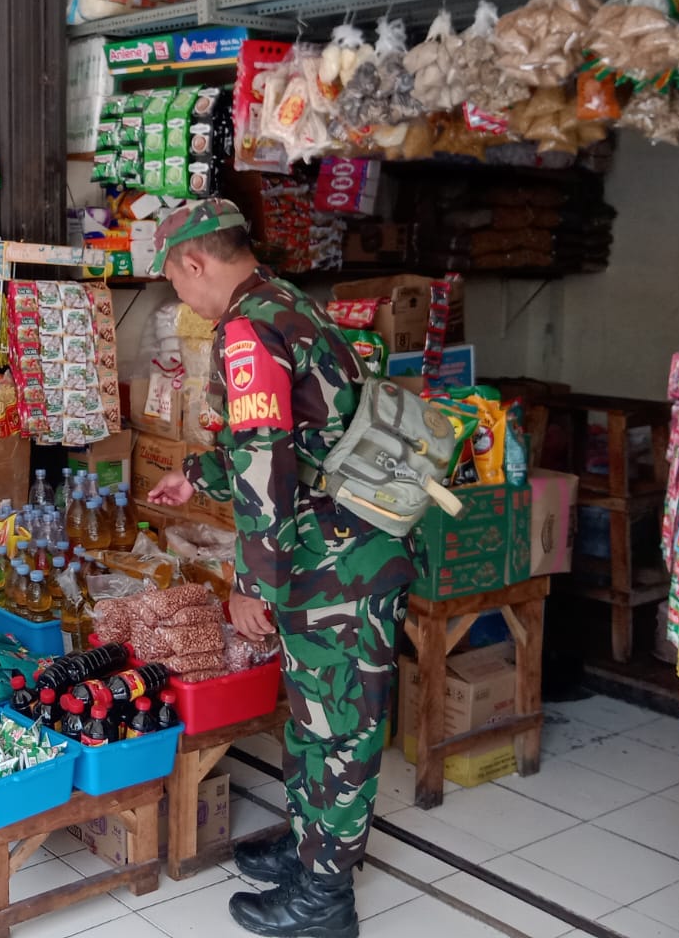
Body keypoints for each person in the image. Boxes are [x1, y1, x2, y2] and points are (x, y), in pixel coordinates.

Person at [146, 201, 415, 938]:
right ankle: (310, 849)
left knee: (340, 726)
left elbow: (267, 462)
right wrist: (199, 474)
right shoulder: (286, 302)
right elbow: (289, 437)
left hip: (339, 561)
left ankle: (326, 898)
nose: (182, 300)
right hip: (335, 546)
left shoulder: (248, 329)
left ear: (195, 264)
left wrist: (249, 584)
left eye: (174, 282)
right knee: (313, 711)